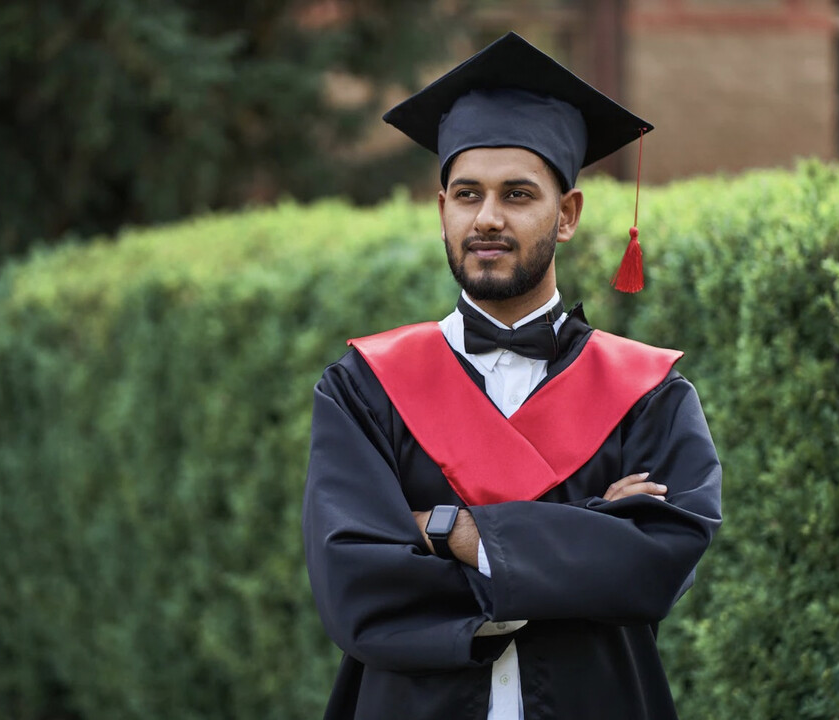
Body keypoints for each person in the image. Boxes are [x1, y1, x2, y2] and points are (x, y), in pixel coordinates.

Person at [301, 32, 722, 720]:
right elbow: (357, 586)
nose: (487, 218)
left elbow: (653, 567)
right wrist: (586, 534)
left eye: (517, 194)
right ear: (443, 212)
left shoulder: (651, 395)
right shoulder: (363, 389)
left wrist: (446, 532)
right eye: (467, 194)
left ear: (566, 216)